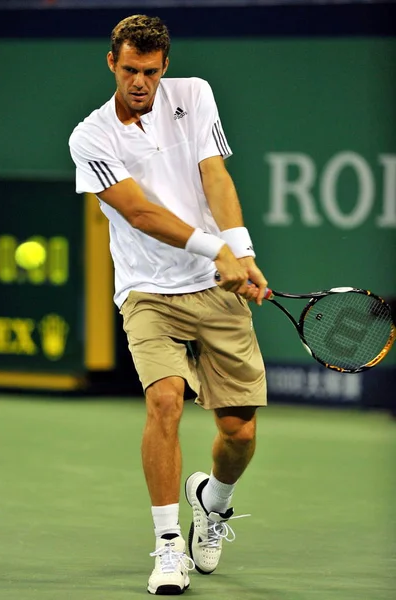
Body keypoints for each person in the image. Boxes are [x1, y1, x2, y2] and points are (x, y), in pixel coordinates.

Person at [69, 14, 268, 595]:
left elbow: (215, 176)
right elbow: (140, 213)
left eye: (150, 72)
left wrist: (241, 251)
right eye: (130, 70)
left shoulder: (196, 96)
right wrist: (217, 249)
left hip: (213, 283)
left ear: (165, 68)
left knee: (240, 432)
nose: (139, 82)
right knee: (164, 401)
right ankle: (167, 545)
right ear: (112, 63)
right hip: (147, 290)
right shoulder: (91, 136)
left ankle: (214, 501)